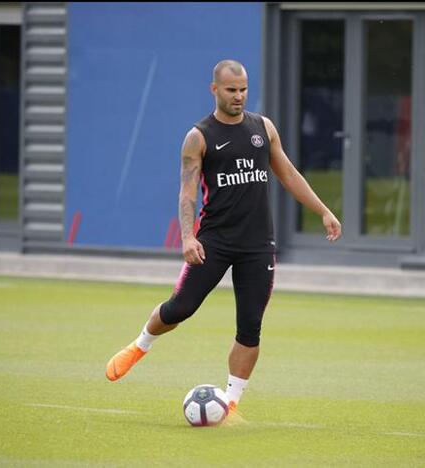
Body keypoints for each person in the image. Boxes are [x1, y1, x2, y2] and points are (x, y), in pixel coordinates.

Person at [105, 59, 342, 416]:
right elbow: (187, 193)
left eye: (244, 89)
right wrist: (188, 238)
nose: (239, 96)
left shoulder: (263, 128)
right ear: (214, 89)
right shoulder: (198, 137)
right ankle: (140, 345)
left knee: (251, 327)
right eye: (232, 90)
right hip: (214, 240)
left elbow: (289, 174)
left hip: (258, 244)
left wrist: (323, 210)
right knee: (180, 308)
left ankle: (229, 405)